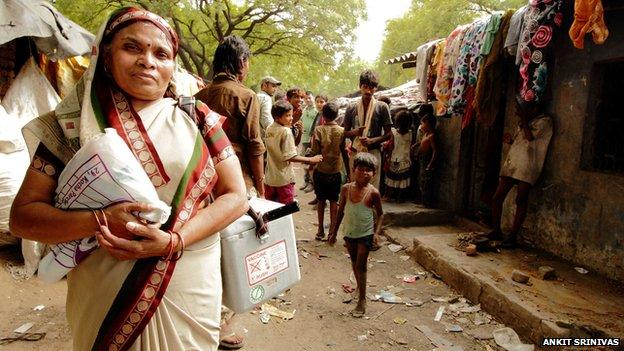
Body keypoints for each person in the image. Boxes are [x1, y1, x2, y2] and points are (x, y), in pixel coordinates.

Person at [9, 7, 247, 350]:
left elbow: (235, 195)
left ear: (172, 67)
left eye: (161, 53)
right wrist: (101, 220)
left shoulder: (197, 117)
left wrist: (173, 241)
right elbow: (22, 218)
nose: (147, 61)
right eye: (132, 47)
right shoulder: (70, 126)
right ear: (105, 57)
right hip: (104, 290)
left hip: (187, 279)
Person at [195, 35, 266, 199]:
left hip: (204, 182)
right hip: (239, 180)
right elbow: (254, 147)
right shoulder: (247, 96)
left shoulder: (197, 97)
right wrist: (261, 190)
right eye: (248, 63)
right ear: (242, 62)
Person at [488, 98, 553, 248]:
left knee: (521, 200)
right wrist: (511, 141)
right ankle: (496, 230)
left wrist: (524, 120)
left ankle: (512, 237)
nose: (517, 112)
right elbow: (523, 141)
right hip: (514, 163)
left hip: (528, 166)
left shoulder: (544, 122)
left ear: (534, 110)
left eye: (521, 109)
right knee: (497, 198)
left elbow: (530, 138)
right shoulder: (526, 122)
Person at [328, 152, 383, 317]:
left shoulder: (373, 193)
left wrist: (376, 233)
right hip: (350, 233)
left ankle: (362, 300)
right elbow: (341, 211)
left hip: (365, 234)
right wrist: (334, 232)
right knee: (353, 261)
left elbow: (380, 214)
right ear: (353, 170)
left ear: (373, 174)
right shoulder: (346, 189)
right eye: (361, 169)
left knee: (361, 265)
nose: (364, 173)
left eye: (369, 170)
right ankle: (359, 287)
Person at [264, 100, 322, 204]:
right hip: (283, 179)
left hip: (270, 179)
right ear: (277, 117)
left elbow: (286, 148)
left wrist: (299, 132)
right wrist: (310, 159)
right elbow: (290, 156)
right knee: (286, 211)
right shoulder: (285, 131)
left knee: (271, 210)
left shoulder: (269, 128)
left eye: (291, 115)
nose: (291, 118)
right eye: (287, 115)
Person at [343, 69, 392, 189]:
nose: (368, 91)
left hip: (373, 152)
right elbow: (345, 132)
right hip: (356, 152)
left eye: (372, 88)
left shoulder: (382, 107)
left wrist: (372, 141)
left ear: (376, 88)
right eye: (365, 87)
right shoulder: (351, 107)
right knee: (355, 188)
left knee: (372, 189)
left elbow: (388, 134)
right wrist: (356, 132)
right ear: (360, 86)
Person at [310, 102, 349, 241]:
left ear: (323, 115)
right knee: (334, 201)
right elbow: (344, 152)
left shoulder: (318, 130)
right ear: (337, 115)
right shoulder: (341, 131)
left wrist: (309, 164)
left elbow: (315, 151)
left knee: (321, 201)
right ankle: (332, 231)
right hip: (335, 172)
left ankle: (320, 230)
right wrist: (349, 172)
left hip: (321, 171)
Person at [384, 109, 413, 202]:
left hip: (394, 159)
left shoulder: (394, 133)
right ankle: (399, 198)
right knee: (403, 180)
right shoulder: (411, 134)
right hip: (406, 160)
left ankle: (388, 197)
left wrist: (388, 157)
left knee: (391, 179)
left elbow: (391, 146)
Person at [416, 113, 438, 208]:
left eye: (422, 123)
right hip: (422, 159)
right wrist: (415, 146)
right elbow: (421, 143)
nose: (421, 126)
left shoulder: (432, 136)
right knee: (421, 180)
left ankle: (427, 203)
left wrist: (430, 163)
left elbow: (435, 151)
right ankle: (423, 201)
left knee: (426, 181)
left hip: (427, 159)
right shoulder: (426, 134)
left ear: (428, 123)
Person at [299, 90, 317, 192]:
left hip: (312, 140)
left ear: (313, 98)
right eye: (306, 98)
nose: (308, 100)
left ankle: (311, 183)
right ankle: (305, 181)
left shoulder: (316, 111)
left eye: (310, 98)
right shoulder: (304, 110)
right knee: (303, 161)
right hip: (304, 139)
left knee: (310, 161)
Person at [257, 76, 281, 141]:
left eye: (276, 87)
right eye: (273, 86)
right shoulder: (266, 98)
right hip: (262, 139)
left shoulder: (256, 96)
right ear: (265, 85)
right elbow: (266, 120)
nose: (275, 89)